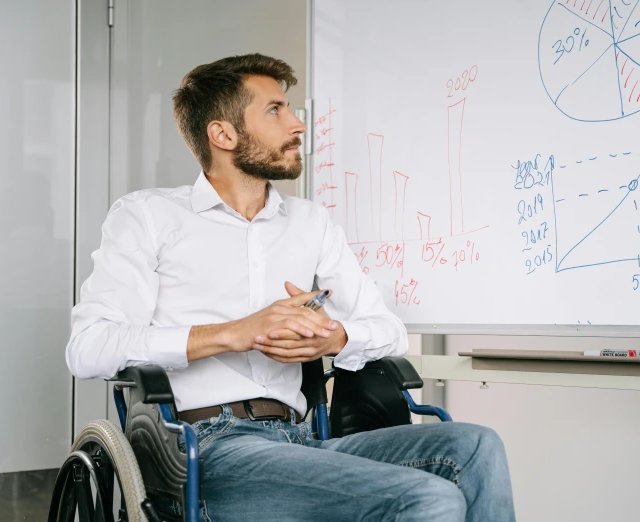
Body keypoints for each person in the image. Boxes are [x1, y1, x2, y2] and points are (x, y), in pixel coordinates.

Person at [66, 53, 515, 521]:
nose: (298, 124)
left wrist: (335, 337)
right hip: (205, 452)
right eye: (276, 110)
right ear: (223, 134)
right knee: (427, 498)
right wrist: (236, 332)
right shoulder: (148, 216)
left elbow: (388, 329)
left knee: (478, 446)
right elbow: (89, 347)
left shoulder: (311, 224)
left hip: (300, 439)